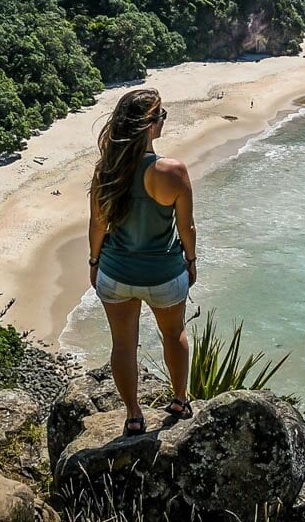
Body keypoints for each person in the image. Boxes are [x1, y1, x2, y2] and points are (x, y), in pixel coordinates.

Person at [88, 88, 198, 436]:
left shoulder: (106, 171)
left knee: (122, 344)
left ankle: (134, 415)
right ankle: (179, 400)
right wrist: (191, 261)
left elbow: (98, 225)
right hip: (164, 274)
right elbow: (187, 228)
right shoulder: (172, 171)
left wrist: (94, 262)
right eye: (160, 115)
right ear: (149, 126)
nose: (164, 119)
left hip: (116, 273)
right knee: (174, 333)